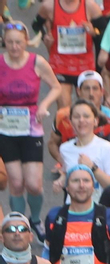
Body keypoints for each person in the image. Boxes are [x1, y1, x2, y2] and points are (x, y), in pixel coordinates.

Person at [0, 25, 64, 233]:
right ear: (4, 42)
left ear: (26, 41)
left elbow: (56, 87)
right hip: (6, 129)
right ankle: (18, 224)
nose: (14, 47)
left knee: (34, 184)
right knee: (16, 183)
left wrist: (44, 105)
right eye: (9, 42)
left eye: (18, 42)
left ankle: (35, 220)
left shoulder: (37, 62)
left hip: (31, 129)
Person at [54, 102, 110, 199]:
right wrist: (61, 180)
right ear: (70, 121)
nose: (81, 120)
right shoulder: (65, 149)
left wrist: (92, 167)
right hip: (73, 208)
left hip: (98, 208)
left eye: (86, 116)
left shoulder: (107, 148)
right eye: (77, 117)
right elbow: (67, 171)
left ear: (95, 121)